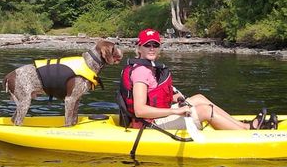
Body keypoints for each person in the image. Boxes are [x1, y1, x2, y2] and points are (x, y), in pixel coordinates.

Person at [119, 28, 277, 130]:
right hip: (148, 125)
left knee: (200, 98)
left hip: (156, 117)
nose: (152, 48)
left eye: (155, 44)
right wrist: (176, 110)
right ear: (139, 48)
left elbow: (154, 94)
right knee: (204, 110)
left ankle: (245, 126)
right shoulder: (141, 72)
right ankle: (245, 132)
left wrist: (175, 97)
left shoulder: (149, 68)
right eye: (147, 45)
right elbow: (140, 110)